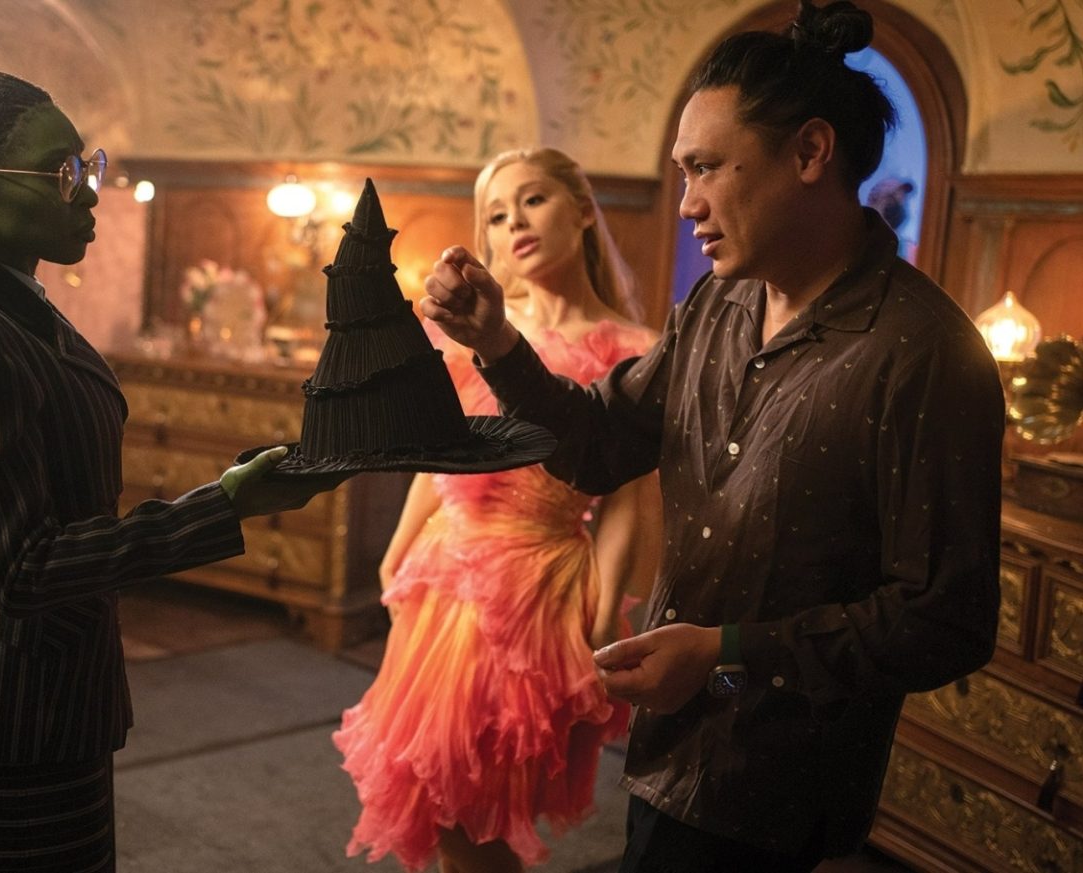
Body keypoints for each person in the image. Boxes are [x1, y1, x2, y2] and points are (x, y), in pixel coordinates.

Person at [420, 2, 1004, 871]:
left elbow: (946, 619)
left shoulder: (924, 352)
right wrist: (498, 342)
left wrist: (728, 653)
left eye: (706, 168)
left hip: (781, 783)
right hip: (672, 745)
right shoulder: (717, 304)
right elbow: (599, 443)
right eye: (681, 172)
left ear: (810, 152)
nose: (687, 203)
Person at [0, 70, 339, 872]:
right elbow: (25, 567)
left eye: (88, 164)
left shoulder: (10, 303)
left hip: (31, 674)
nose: (87, 190)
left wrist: (227, 499)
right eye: (61, 171)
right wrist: (223, 505)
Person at [335, 148, 662, 873]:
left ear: (584, 210)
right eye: (496, 214)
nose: (515, 223)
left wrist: (604, 613)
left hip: (538, 588)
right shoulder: (475, 331)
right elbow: (444, 456)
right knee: (434, 791)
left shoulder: (637, 351)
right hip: (445, 575)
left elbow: (625, 500)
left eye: (533, 200)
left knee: (475, 809)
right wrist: (397, 547)